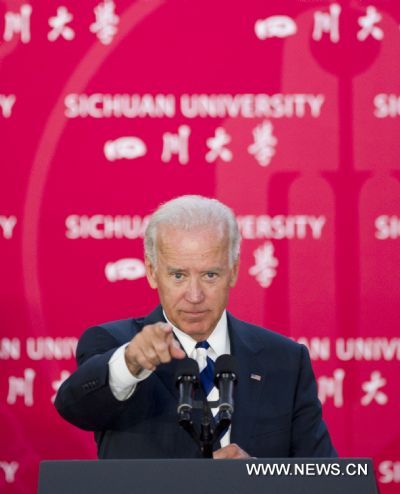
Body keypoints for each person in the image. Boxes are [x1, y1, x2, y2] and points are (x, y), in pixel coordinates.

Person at [55, 195, 337, 459]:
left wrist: (260, 478)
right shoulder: (112, 344)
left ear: (234, 271)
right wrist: (130, 363)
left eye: (210, 275)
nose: (194, 295)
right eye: (178, 275)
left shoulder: (285, 359)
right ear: (152, 273)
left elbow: (325, 480)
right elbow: (74, 408)